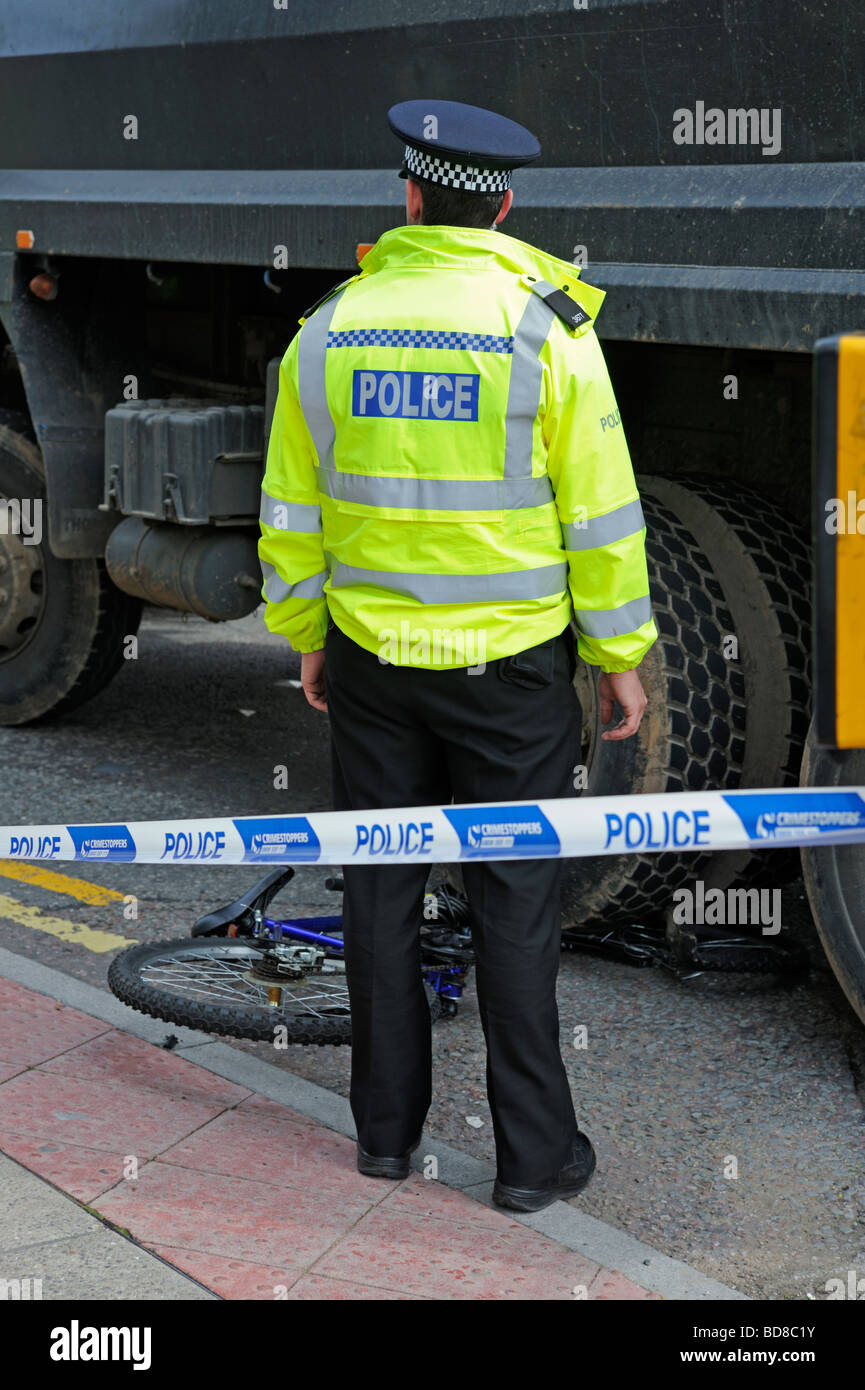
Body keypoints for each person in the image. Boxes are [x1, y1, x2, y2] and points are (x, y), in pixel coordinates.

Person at [259, 99, 657, 1213]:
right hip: (513, 674)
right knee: (513, 905)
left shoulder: (331, 327)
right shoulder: (546, 331)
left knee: (379, 895)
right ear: (507, 206)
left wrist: (305, 635)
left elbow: (290, 506)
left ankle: (384, 1139)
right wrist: (618, 655)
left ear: (410, 198)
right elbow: (601, 513)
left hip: (376, 664)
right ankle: (532, 1164)